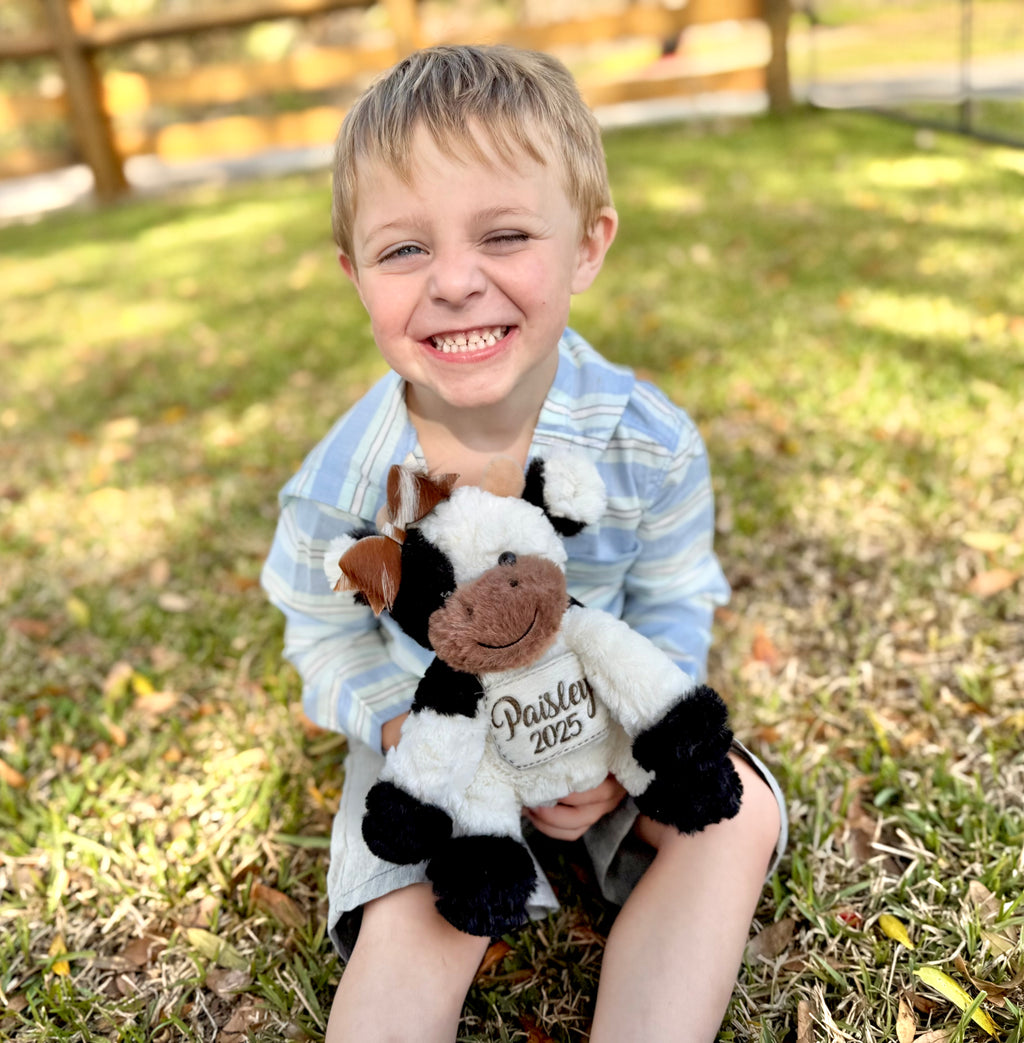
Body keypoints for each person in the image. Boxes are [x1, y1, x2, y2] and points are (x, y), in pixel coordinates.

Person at [261, 43, 787, 1042]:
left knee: (736, 812)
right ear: (354, 275)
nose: (455, 282)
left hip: (596, 711)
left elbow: (675, 594)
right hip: (437, 733)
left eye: (504, 235)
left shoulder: (649, 441)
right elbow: (318, 635)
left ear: (587, 245)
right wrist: (402, 731)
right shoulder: (345, 483)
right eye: (403, 250)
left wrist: (625, 753)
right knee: (414, 901)